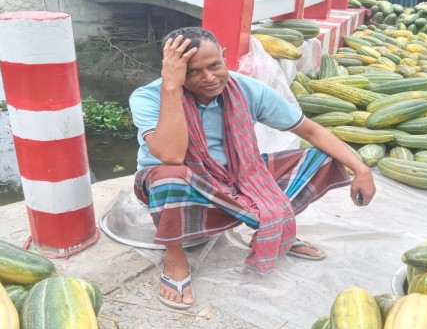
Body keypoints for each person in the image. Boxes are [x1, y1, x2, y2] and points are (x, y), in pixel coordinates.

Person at [129, 27, 376, 310]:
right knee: (169, 177)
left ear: (224, 56)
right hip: (182, 186)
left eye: (214, 66)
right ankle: (175, 259)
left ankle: (273, 225)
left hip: (236, 177)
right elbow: (171, 155)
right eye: (193, 72)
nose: (208, 78)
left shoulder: (248, 89)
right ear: (173, 70)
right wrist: (171, 88)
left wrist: (362, 169)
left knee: (323, 158)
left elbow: (311, 131)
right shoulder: (149, 97)